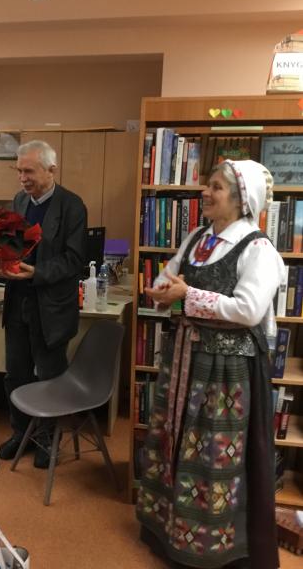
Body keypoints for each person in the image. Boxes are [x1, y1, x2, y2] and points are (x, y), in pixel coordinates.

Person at [136, 160, 284, 569]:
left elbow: (250, 310)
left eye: (215, 187)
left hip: (224, 372)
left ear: (240, 201)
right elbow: (171, 274)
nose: (204, 191)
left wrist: (187, 296)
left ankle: (210, 548)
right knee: (176, 439)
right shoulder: (198, 237)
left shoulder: (258, 249)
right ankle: (168, 531)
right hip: (186, 356)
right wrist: (163, 289)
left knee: (212, 456)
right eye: (207, 184)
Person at [0, 140, 88, 469]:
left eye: (29, 170)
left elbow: (75, 260)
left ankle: (47, 439)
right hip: (18, 302)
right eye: (19, 170)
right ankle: (21, 433)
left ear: (51, 170)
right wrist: (2, 259)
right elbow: (13, 244)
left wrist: (37, 272)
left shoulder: (72, 206)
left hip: (51, 306)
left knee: (48, 376)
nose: (22, 177)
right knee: (15, 374)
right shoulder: (19, 201)